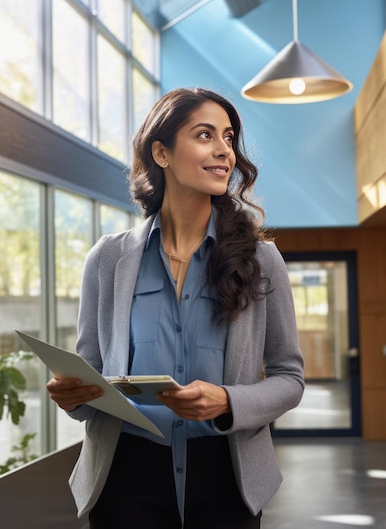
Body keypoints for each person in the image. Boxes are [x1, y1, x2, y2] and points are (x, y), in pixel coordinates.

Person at [47, 87, 305, 529]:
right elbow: (91, 371)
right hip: (125, 473)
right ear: (161, 152)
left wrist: (228, 400)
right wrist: (73, 396)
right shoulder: (107, 259)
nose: (224, 150)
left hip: (228, 473)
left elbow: (290, 378)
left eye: (228, 137)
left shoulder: (261, 259)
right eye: (205, 135)